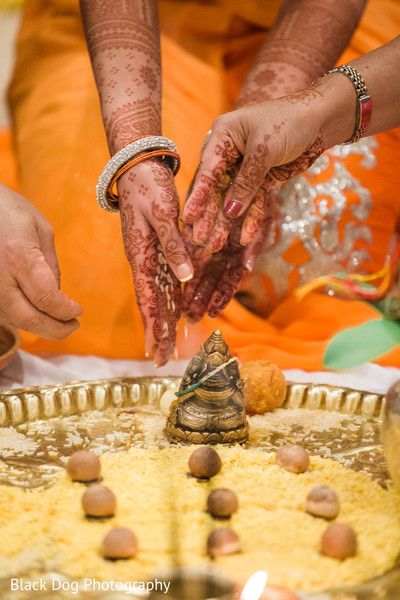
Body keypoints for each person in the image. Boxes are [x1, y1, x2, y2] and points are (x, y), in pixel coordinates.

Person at [3, 0, 400, 368]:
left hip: (326, 27)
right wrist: (135, 150)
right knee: (100, 297)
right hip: (123, 32)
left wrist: (262, 143)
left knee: (309, 253)